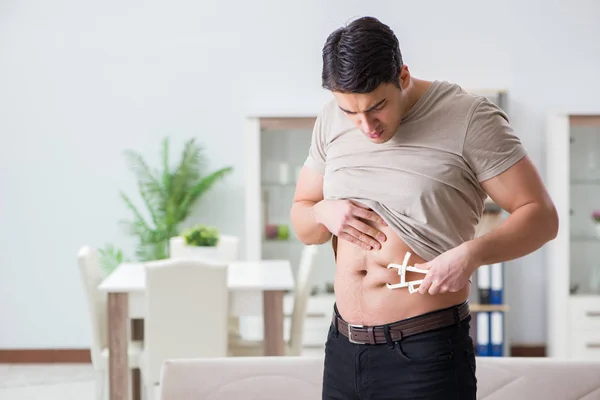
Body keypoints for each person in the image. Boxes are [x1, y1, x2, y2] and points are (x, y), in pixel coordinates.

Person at [290, 16, 558, 400]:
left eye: (377, 107)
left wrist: (470, 255)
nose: (366, 126)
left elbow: (542, 217)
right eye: (351, 112)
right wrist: (322, 212)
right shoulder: (331, 119)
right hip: (343, 348)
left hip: (425, 352)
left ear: (402, 75)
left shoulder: (469, 118)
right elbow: (302, 218)